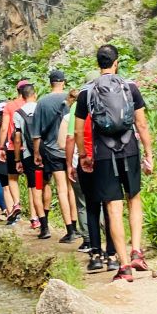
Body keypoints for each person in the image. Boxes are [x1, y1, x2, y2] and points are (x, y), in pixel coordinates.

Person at [75, 44, 154, 282]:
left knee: (113, 207)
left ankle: (124, 266)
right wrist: (149, 154)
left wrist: (84, 156)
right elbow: (141, 125)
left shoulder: (86, 92)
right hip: (129, 149)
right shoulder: (130, 87)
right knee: (134, 198)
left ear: (98, 64)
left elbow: (79, 131)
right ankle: (137, 251)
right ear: (116, 62)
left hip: (102, 153)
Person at [67, 77, 118, 273]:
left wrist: (79, 159)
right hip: (107, 160)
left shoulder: (82, 108)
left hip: (87, 162)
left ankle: (96, 255)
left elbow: (75, 135)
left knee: (92, 207)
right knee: (110, 208)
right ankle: (112, 256)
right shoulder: (110, 105)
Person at [32, 69, 80, 244]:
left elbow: (36, 134)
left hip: (51, 151)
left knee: (59, 188)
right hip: (70, 149)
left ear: (50, 83)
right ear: (64, 82)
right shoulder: (72, 99)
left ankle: (69, 230)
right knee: (70, 188)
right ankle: (75, 226)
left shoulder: (42, 102)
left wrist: (37, 153)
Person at [13, 84, 48, 234]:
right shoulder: (42, 108)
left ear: (22, 96)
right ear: (34, 94)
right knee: (45, 185)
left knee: (35, 188)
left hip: (29, 156)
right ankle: (46, 217)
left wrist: (17, 159)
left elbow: (17, 139)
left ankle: (43, 225)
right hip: (46, 153)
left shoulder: (18, 113)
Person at [0, 79, 31, 225]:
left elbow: (4, 128)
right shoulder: (32, 105)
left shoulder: (10, 106)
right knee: (33, 184)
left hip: (13, 147)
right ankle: (35, 217)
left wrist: (1, 147)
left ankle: (16, 204)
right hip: (30, 147)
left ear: (17, 91)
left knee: (12, 179)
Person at [64, 89, 90, 253]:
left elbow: (70, 137)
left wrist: (69, 164)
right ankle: (108, 237)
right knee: (101, 201)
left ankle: (87, 239)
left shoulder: (76, 108)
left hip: (80, 159)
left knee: (82, 202)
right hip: (102, 157)